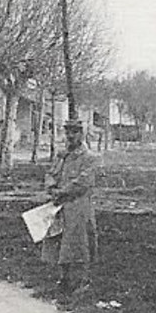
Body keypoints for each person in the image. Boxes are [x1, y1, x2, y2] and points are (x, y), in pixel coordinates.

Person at [41, 118, 98, 296]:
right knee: (60, 241)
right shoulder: (62, 155)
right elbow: (51, 173)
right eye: (68, 132)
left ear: (82, 134)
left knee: (81, 242)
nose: (70, 136)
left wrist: (63, 191)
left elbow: (84, 182)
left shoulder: (90, 158)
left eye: (75, 132)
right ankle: (64, 277)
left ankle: (83, 279)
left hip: (79, 206)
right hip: (61, 206)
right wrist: (51, 188)